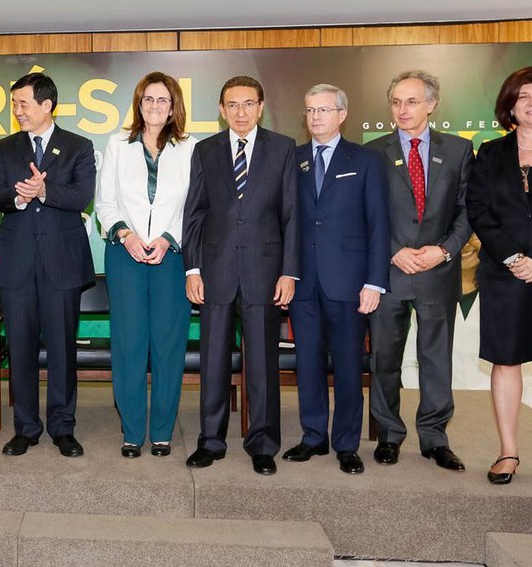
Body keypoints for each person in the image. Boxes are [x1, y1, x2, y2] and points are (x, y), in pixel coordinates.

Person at [466, 65, 532, 494]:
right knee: (506, 360)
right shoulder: (491, 153)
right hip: (503, 272)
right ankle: (507, 451)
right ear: (509, 104)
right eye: (523, 95)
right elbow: (479, 209)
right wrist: (512, 256)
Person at [183, 76, 299, 475]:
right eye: (232, 105)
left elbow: (291, 216)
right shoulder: (205, 150)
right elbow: (194, 213)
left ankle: (262, 444)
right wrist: (193, 268)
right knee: (213, 361)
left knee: (263, 363)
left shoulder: (283, 149)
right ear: (220, 109)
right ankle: (210, 441)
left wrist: (289, 273)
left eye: (248, 104)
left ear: (261, 106)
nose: (241, 113)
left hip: (265, 273)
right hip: (214, 271)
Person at [0, 72, 96, 459]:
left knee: (63, 349)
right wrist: (17, 198)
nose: (17, 111)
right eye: (14, 104)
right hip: (16, 263)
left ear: (47, 105)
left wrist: (45, 191)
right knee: (21, 347)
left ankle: (63, 427)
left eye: (23, 103)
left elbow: (82, 195)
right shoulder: (5, 148)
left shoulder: (78, 146)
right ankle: (26, 428)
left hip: (61, 264)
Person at [365, 70, 473, 471]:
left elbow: (467, 211)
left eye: (411, 101)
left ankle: (434, 438)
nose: (402, 109)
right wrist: (395, 252)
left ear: (431, 104)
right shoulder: (372, 152)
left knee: (435, 360)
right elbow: (366, 215)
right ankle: (389, 435)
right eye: (395, 102)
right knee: (385, 359)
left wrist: (443, 251)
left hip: (437, 271)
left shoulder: (460, 151)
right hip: (389, 272)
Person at [282, 84, 389, 475]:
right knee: (307, 363)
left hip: (349, 283)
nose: (316, 118)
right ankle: (313, 437)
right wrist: (285, 273)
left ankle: (347, 443)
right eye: (310, 110)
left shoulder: (366, 159)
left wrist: (374, 282)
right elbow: (284, 222)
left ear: (342, 114)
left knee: (347, 366)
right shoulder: (290, 160)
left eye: (324, 110)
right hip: (303, 282)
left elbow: (379, 224)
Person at [94, 72, 194, 458]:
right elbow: (104, 202)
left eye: (163, 100)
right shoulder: (118, 144)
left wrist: (169, 237)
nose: (155, 106)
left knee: (169, 345)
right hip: (125, 255)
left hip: (172, 257)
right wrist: (126, 235)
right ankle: (133, 431)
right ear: (139, 103)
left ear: (174, 107)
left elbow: (195, 207)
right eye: (148, 99)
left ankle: (163, 431)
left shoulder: (189, 148)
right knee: (129, 343)